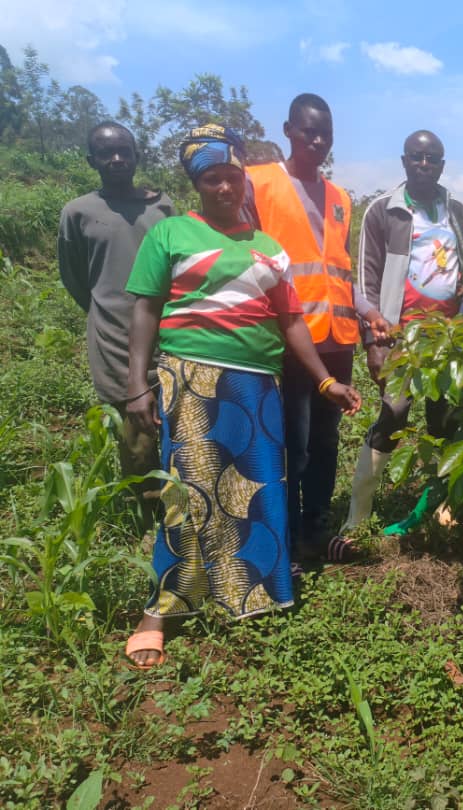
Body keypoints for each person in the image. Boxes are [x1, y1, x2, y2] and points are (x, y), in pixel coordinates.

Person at [122, 125, 362, 670]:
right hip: (191, 376)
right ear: (197, 184)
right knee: (188, 489)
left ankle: (255, 594)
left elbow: (292, 322)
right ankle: (161, 610)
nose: (226, 188)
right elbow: (144, 309)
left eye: (232, 176)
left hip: (258, 382)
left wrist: (326, 380)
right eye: (213, 179)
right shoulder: (172, 234)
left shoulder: (269, 249)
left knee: (254, 489)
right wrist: (137, 383)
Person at [244, 93, 389, 563]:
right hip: (286, 340)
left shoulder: (340, 198)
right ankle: (284, 536)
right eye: (309, 131)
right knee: (292, 441)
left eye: (326, 133)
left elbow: (342, 275)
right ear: (288, 130)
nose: (319, 141)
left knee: (326, 443)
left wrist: (368, 313)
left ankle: (314, 529)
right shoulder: (256, 183)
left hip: (337, 342)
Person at [343, 129, 463, 537]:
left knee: (446, 419)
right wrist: (372, 340)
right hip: (399, 336)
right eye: (417, 157)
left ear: (442, 165)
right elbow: (366, 277)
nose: (424, 165)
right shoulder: (384, 211)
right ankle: (358, 513)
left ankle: (442, 509)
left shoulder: (457, 212)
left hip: (449, 339)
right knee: (394, 414)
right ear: (404, 161)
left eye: (432, 159)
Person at [57, 122, 175, 528]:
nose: (117, 159)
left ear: (137, 155)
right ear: (91, 160)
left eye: (125, 151)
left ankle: (184, 524)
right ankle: (148, 526)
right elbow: (75, 278)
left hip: (171, 339)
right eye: (107, 153)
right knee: (138, 442)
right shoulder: (78, 213)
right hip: (114, 342)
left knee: (178, 432)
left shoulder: (163, 209)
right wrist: (105, 312)